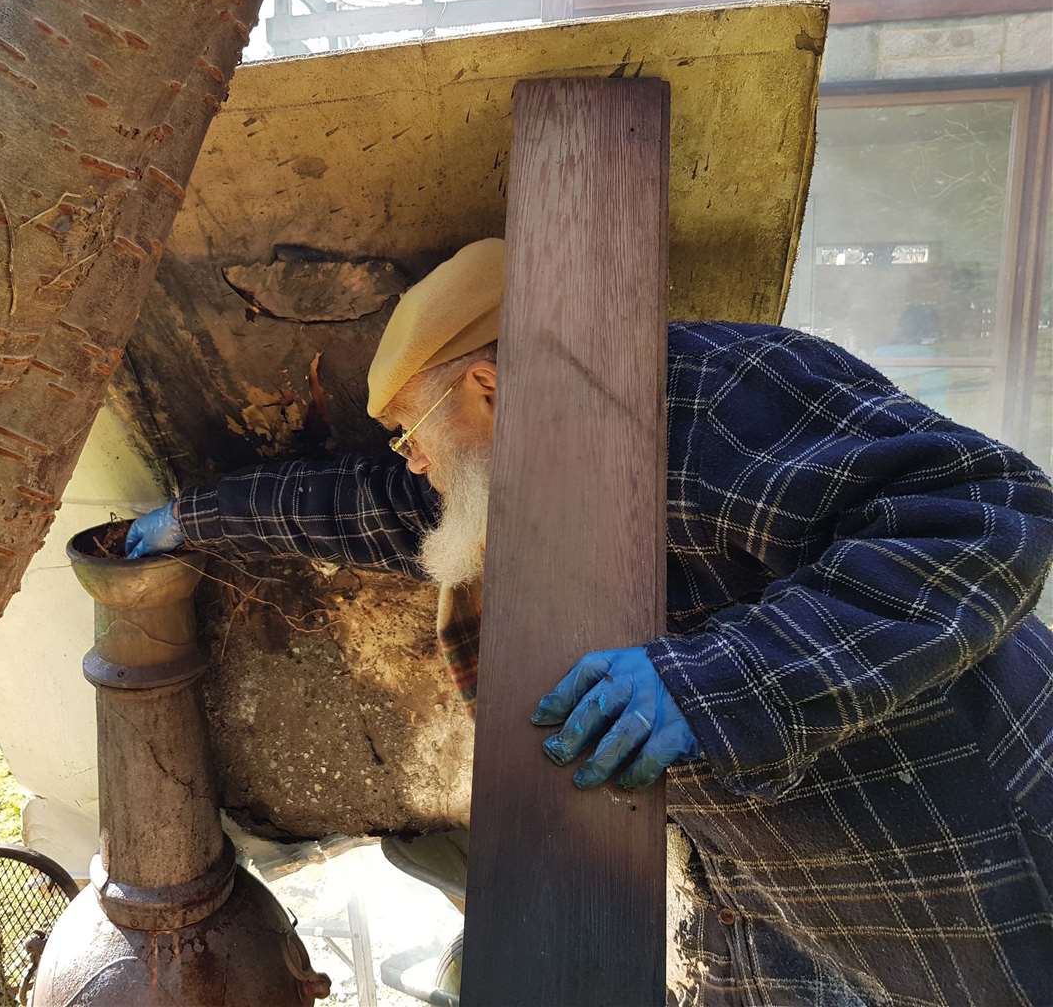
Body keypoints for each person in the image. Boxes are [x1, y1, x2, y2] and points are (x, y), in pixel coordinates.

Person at [126, 238, 1053, 1006]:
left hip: (970, 850)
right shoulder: (518, 463)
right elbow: (357, 506)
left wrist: (711, 682)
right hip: (769, 882)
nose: (408, 462)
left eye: (412, 432)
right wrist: (183, 524)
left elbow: (978, 512)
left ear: (488, 388)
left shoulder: (716, 396)